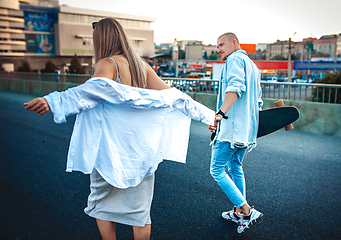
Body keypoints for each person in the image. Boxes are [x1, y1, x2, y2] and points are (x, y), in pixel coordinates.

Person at [24, 18, 214, 240]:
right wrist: (210, 116)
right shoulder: (142, 66)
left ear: (101, 39)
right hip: (141, 151)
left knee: (102, 204)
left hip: (110, 150)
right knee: (140, 212)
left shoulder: (107, 64)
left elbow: (91, 92)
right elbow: (175, 97)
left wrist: (53, 102)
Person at [208, 32, 263, 234]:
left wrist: (220, 114)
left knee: (216, 170)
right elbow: (257, 101)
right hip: (246, 131)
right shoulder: (252, 66)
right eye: (217, 47)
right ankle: (239, 212)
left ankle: (247, 211)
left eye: (221, 44)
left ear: (234, 43)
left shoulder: (234, 59)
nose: (219, 49)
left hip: (232, 131)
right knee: (235, 167)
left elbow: (235, 87)